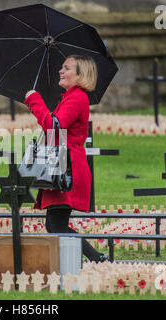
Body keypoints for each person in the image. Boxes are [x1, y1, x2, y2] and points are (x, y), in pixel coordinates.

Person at [24, 54, 108, 262]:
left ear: (81, 76)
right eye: (62, 67)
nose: (61, 71)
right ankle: (91, 259)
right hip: (61, 165)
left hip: (65, 168)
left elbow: (54, 126)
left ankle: (95, 259)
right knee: (54, 225)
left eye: (67, 68)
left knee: (57, 225)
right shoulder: (70, 98)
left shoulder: (77, 97)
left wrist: (35, 101)